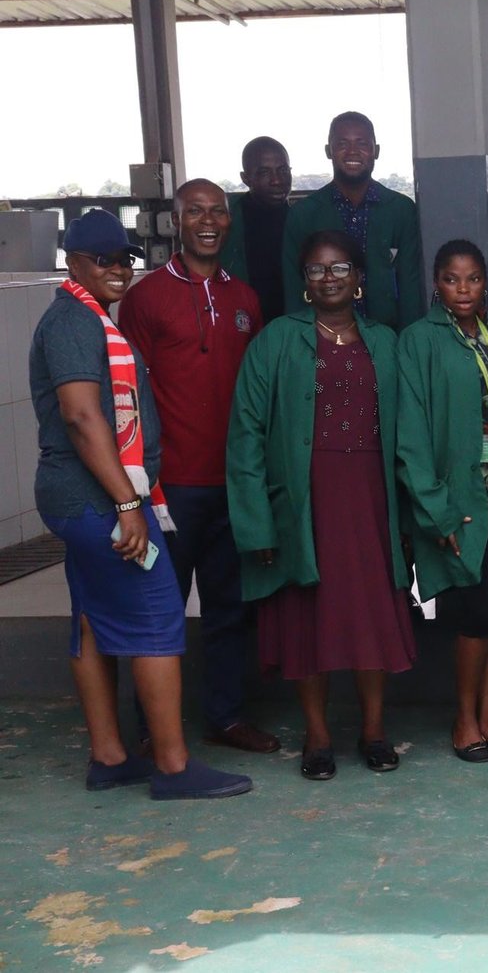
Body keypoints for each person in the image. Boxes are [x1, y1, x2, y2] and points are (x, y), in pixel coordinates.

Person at [31, 209, 252, 800]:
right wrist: (129, 504)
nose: (118, 269)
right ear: (73, 263)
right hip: (97, 501)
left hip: (85, 498)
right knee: (156, 615)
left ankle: (109, 757)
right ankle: (174, 767)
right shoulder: (73, 321)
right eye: (102, 259)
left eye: (125, 259)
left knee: (91, 620)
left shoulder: (90, 318)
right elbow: (82, 417)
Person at [229, 230, 416, 780]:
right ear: (304, 282)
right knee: (308, 617)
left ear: (359, 279)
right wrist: (257, 524)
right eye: (317, 269)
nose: (329, 277)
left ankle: (374, 731)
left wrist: (414, 514)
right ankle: (317, 735)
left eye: (340, 268)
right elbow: (245, 434)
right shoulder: (275, 340)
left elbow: (411, 431)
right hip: (303, 501)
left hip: (371, 497)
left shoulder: (386, 341)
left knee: (370, 613)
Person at [118, 179, 279, 756]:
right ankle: (149, 729)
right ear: (176, 221)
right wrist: (137, 481)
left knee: (229, 610)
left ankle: (225, 717)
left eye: (217, 212)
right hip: (169, 486)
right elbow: (127, 394)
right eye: (195, 212)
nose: (208, 222)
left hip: (232, 483)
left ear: (228, 221)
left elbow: (257, 395)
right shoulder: (146, 298)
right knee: (158, 609)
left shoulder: (246, 299)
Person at [396, 240, 488, 764]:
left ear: (485, 282)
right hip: (458, 500)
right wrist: (437, 509)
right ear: (436, 283)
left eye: (473, 279)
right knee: (472, 613)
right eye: (451, 279)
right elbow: (411, 436)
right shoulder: (419, 340)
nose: (463, 289)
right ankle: (464, 720)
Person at [280, 112, 423, 328]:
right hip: (322, 335)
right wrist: (299, 338)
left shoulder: (400, 209)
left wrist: (409, 341)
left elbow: (410, 285)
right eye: (342, 144)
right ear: (328, 151)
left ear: (376, 151)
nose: (352, 151)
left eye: (362, 143)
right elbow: (293, 286)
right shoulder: (303, 214)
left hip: (386, 333)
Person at [218, 136, 293, 323]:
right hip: (237, 323)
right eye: (264, 172)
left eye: (283, 170)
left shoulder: (302, 219)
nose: (277, 180)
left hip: (290, 326)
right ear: (245, 178)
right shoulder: (225, 219)